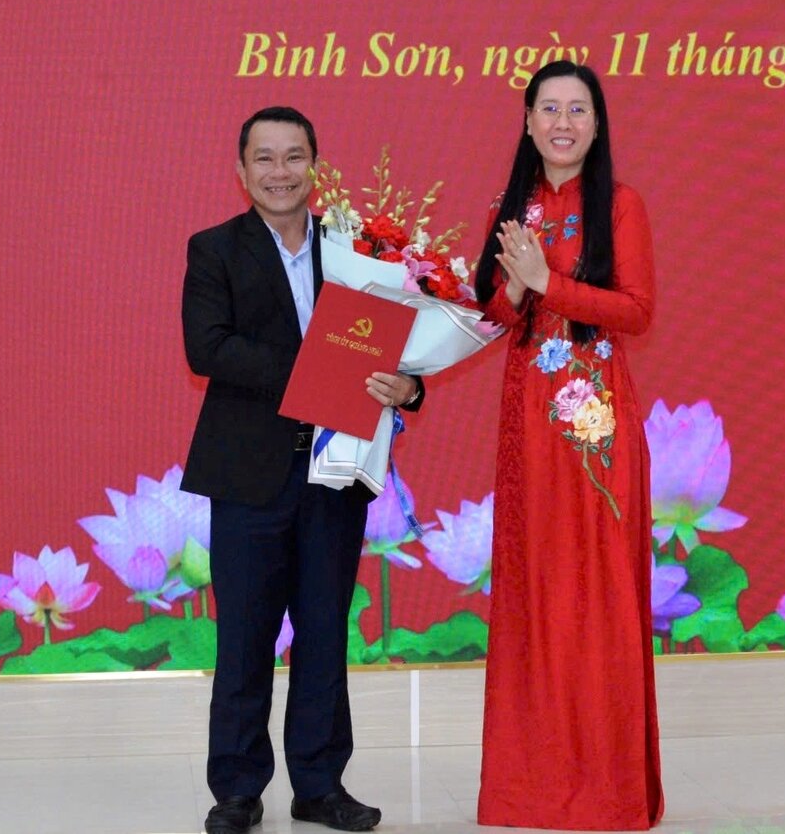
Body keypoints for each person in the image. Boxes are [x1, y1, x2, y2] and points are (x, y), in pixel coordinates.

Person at [181, 106, 423, 834]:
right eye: (265, 158)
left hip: (335, 477)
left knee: (323, 636)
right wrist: (321, 367)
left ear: (315, 166)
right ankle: (237, 790)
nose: (279, 172)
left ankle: (320, 787)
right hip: (248, 476)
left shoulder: (356, 252)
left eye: (294, 157)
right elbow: (209, 349)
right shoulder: (214, 250)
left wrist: (409, 386)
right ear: (242, 171)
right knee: (245, 641)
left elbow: (401, 346)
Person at [474, 61, 665, 830]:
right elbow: (493, 309)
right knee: (533, 589)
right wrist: (516, 282)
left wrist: (545, 280)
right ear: (526, 122)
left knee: (597, 593)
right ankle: (528, 787)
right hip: (526, 418)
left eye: (577, 109)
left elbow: (637, 311)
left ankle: (604, 788)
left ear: (597, 122)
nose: (562, 122)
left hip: (594, 424)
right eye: (548, 108)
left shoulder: (619, 205)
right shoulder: (510, 207)